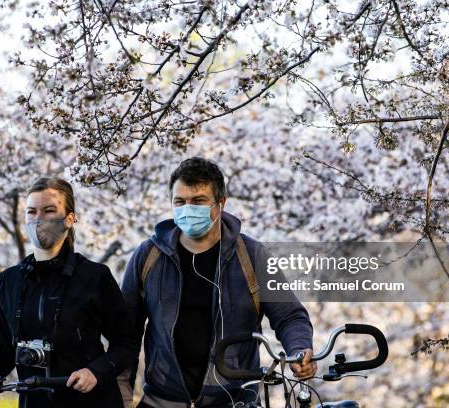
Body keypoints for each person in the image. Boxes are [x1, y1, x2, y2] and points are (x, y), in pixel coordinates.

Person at [121, 157, 317, 407]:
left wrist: (299, 349)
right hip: (162, 399)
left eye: (199, 201)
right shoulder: (148, 256)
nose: (187, 209)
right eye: (179, 202)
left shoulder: (252, 256)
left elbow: (289, 316)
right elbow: (125, 332)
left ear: (220, 203)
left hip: (234, 399)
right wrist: (122, 395)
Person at [0, 177, 135, 407]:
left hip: (90, 402)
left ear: (70, 218)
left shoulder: (94, 276)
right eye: (31, 212)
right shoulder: (9, 280)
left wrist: (95, 371)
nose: (38, 219)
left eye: (49, 210)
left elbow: (125, 344)